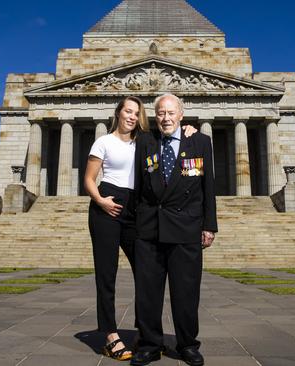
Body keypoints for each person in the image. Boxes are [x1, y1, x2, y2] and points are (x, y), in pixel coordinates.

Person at [84, 96, 197, 361]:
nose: (132, 117)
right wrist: (100, 201)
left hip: (138, 209)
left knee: (147, 275)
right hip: (108, 204)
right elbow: (89, 178)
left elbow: (171, 131)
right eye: (128, 111)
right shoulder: (104, 141)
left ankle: (145, 334)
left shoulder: (145, 141)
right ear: (119, 113)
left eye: (137, 113)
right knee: (106, 274)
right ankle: (111, 336)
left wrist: (188, 130)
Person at [130, 93, 217, 366]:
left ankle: (188, 344)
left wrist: (209, 225)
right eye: (160, 113)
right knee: (147, 292)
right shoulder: (146, 140)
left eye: (170, 113)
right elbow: (137, 185)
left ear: (181, 115)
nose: (165, 118)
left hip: (186, 227)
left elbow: (208, 187)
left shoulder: (200, 141)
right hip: (150, 227)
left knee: (186, 292)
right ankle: (149, 344)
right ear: (155, 116)